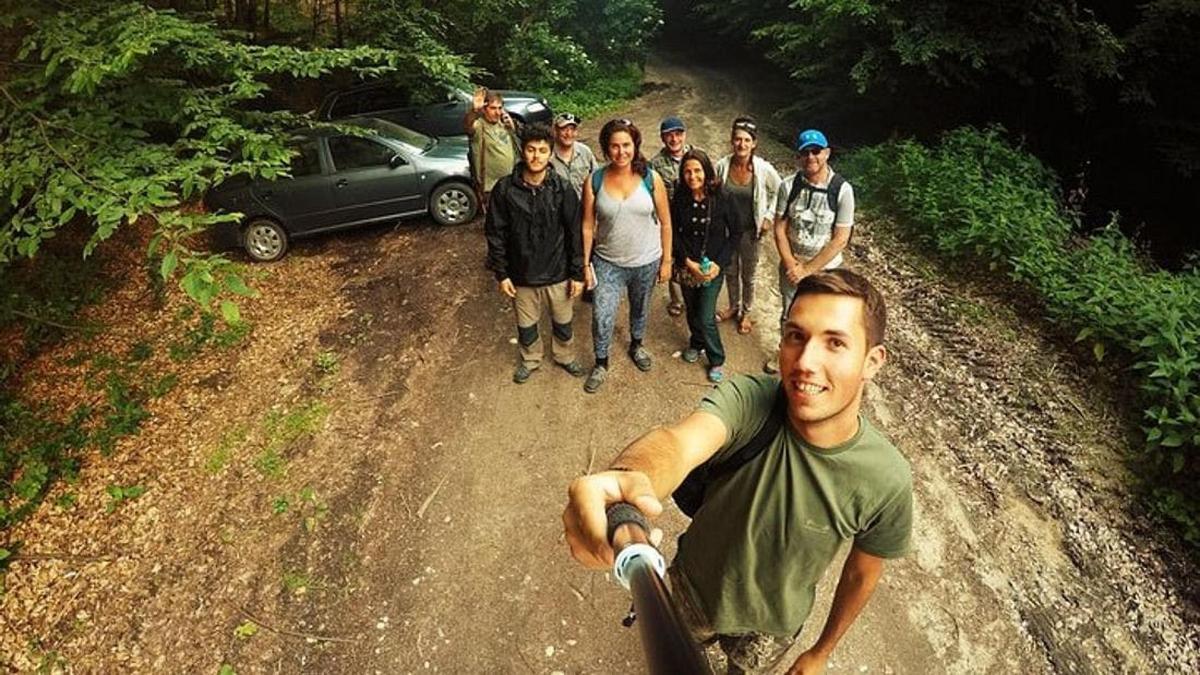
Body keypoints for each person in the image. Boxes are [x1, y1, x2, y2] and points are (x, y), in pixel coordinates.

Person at [563, 269, 912, 674]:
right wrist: (630, 478)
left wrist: (821, 651)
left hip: (773, 625)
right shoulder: (750, 400)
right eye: (796, 336)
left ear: (872, 361)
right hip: (691, 592)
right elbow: (678, 443)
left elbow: (861, 573)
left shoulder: (887, 479)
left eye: (834, 343)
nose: (805, 362)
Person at [485, 124, 586, 383]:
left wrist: (577, 273)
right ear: (523, 152)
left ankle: (564, 356)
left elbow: (575, 231)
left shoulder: (562, 188)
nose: (536, 156)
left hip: (558, 272)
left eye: (542, 150)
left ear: (550, 153)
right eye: (531, 150)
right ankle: (530, 358)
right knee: (526, 325)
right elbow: (496, 233)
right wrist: (502, 274)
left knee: (563, 322)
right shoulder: (505, 189)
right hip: (522, 275)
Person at [581, 118, 673, 394]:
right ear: (606, 149)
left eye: (626, 145)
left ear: (635, 145)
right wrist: (584, 264)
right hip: (607, 262)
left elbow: (666, 222)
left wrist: (667, 260)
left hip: (646, 260)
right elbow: (587, 225)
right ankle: (601, 361)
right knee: (602, 314)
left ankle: (636, 344)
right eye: (614, 146)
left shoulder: (650, 178)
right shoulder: (595, 180)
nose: (621, 152)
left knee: (640, 308)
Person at [767, 129, 855, 374]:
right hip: (792, 265)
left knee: (824, 317)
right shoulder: (788, 185)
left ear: (826, 153)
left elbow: (840, 239)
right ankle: (784, 355)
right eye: (805, 152)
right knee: (789, 313)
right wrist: (791, 263)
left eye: (816, 151)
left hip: (827, 269)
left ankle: (816, 363)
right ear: (798, 156)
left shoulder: (842, 190)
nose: (810, 157)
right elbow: (779, 227)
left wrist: (807, 269)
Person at [671, 149, 742, 383]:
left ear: (707, 171)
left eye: (697, 171)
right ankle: (696, 342)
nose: (693, 176)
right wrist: (686, 262)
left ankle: (716, 358)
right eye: (688, 172)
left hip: (713, 266)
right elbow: (673, 233)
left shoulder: (723, 197)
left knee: (706, 314)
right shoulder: (680, 198)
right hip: (688, 265)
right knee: (691, 309)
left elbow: (735, 234)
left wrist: (719, 264)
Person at [713, 116, 782, 336]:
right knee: (730, 271)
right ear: (731, 141)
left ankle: (747, 311)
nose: (741, 144)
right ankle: (734, 306)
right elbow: (714, 193)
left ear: (754, 143)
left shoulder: (762, 169)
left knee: (748, 275)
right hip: (728, 231)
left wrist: (769, 217)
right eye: (737, 139)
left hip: (751, 232)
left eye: (746, 140)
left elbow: (780, 192)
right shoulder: (722, 166)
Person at [649, 116, 696, 318]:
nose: (674, 139)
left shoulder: (695, 155)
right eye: (669, 135)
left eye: (678, 134)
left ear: (684, 135)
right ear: (662, 138)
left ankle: (695, 293)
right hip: (669, 218)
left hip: (694, 214)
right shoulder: (655, 164)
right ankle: (676, 299)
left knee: (694, 254)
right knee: (673, 257)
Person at [464, 87, 519, 215]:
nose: (497, 112)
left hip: (510, 181)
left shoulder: (504, 123)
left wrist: (513, 127)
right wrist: (474, 111)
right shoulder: (479, 126)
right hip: (490, 186)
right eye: (493, 108)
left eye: (500, 108)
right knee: (496, 219)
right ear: (484, 109)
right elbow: (467, 126)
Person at [550, 112, 598, 198]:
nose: (569, 134)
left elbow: (597, 179)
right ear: (555, 131)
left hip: (583, 206)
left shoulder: (585, 152)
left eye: (572, 129)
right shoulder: (548, 155)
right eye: (564, 129)